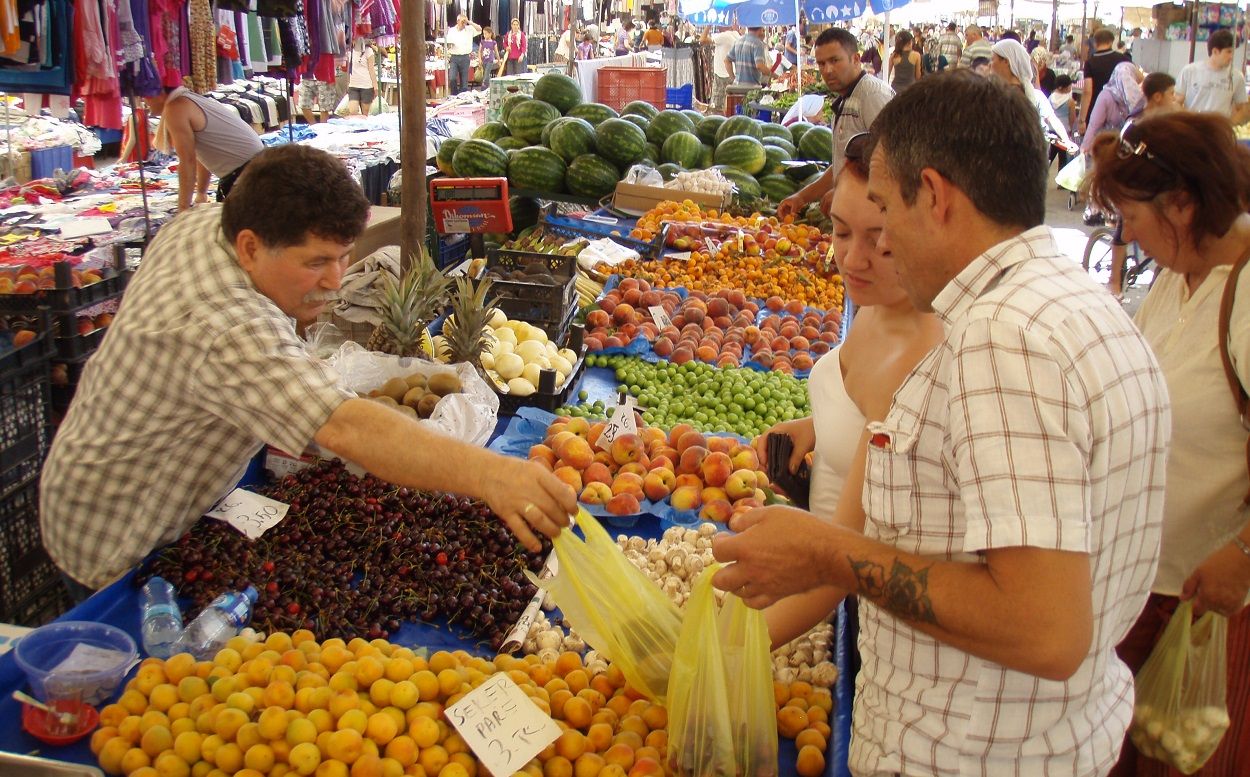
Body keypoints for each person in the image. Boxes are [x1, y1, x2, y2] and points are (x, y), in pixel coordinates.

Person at [711, 71, 1170, 776]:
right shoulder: (1077, 303)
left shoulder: (1001, 337)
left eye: (888, 209)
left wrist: (828, 555)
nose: (881, 241)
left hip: (971, 754)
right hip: (1053, 736)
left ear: (935, 195)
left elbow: (1045, 628)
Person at [40, 145, 578, 594]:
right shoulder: (224, 327)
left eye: (342, 256)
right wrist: (491, 475)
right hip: (114, 536)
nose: (335, 281)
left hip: (172, 495)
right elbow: (343, 426)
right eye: (316, 262)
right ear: (250, 247)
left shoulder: (208, 224)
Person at [1090, 111, 1250, 777]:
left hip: (1212, 604)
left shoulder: (1243, 293)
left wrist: (1242, 552)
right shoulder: (1176, 279)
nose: (1128, 234)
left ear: (1181, 206)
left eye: (1134, 215)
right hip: (1144, 587)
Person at [753, 133, 945, 646]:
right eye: (840, 232)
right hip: (822, 579)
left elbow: (844, 561)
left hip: (852, 607)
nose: (853, 260)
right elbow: (861, 408)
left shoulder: (918, 358)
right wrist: (816, 428)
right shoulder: (880, 305)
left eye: (878, 239)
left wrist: (724, 649)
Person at [777, 28, 893, 219]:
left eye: (835, 60)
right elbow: (841, 165)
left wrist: (845, 193)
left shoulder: (872, 95)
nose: (827, 70)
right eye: (821, 63)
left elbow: (890, 161)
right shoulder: (847, 98)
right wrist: (801, 197)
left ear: (856, 59)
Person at [145, 83, 263, 211]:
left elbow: (187, 161)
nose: (144, 101)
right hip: (254, 169)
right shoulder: (190, 100)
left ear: (160, 93)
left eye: (146, 96)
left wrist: (183, 210)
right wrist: (201, 193)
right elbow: (202, 153)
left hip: (247, 175)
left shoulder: (176, 107)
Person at [991, 38, 1074, 149]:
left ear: (1006, 61)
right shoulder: (1033, 94)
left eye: (993, 59)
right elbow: (1052, 119)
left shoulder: (1001, 95)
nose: (990, 64)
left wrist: (1066, 141)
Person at [1177, 28, 1250, 124]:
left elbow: (1243, 109)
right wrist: (1188, 119)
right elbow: (1176, 102)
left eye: (1233, 52)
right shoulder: (1190, 71)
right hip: (1192, 129)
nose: (1231, 56)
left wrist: (1229, 124)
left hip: (1219, 132)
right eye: (1228, 52)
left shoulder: (1236, 77)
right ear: (1215, 51)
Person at [1082, 61, 1143, 155]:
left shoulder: (1105, 95)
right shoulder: (1138, 98)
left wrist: (1084, 147)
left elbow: (1094, 124)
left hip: (1106, 150)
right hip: (1128, 151)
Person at [1078, 27, 1131, 133]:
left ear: (1094, 42)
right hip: (1120, 110)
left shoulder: (1090, 63)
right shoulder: (1124, 59)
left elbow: (1088, 91)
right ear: (1112, 42)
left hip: (1096, 109)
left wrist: (1082, 119)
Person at [706, 24, 741, 113]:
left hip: (722, 75)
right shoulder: (736, 35)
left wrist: (708, 25)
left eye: (719, 24)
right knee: (728, 105)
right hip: (731, 74)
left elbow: (702, 40)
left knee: (717, 107)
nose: (717, 26)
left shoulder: (724, 36)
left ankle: (717, 124)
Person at [445, 15, 481, 94]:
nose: (463, 24)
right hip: (454, 57)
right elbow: (447, 42)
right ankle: (454, 95)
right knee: (452, 78)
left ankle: (462, 97)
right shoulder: (451, 30)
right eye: (462, 22)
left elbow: (480, 29)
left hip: (465, 57)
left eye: (464, 22)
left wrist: (469, 22)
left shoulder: (469, 29)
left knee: (464, 83)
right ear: (457, 21)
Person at [1049, 74, 1077, 170]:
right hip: (1064, 133)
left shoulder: (1051, 98)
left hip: (1051, 131)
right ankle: (1061, 183)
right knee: (1063, 160)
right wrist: (1071, 130)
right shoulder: (1070, 101)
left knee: (1049, 156)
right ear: (1065, 87)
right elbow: (1072, 119)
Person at [346, 41, 379, 115]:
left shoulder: (368, 50)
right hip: (353, 85)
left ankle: (364, 126)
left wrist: (375, 86)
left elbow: (371, 69)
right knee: (353, 111)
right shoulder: (349, 50)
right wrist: (347, 83)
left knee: (365, 113)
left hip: (366, 85)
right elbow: (349, 68)